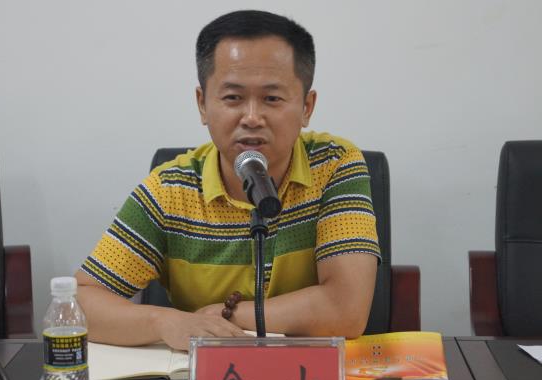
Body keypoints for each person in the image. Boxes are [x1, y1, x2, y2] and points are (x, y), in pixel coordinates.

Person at [75, 10, 380, 351]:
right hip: (206, 375)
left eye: (272, 98)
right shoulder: (170, 190)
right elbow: (80, 301)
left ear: (307, 107)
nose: (251, 117)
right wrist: (167, 322)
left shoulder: (335, 165)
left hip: (309, 374)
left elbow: (346, 310)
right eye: (233, 97)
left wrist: (225, 316)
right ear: (202, 104)